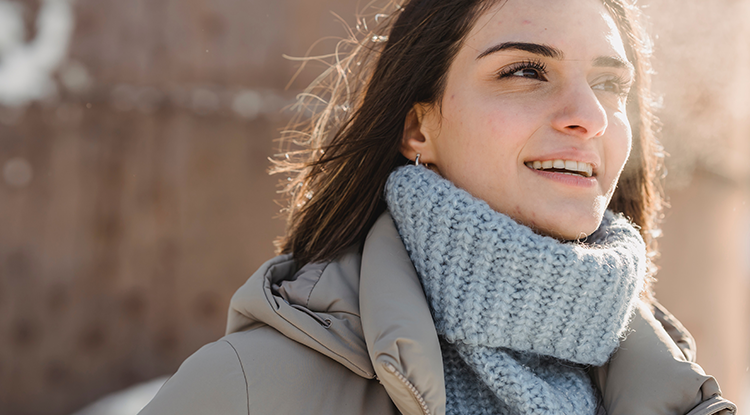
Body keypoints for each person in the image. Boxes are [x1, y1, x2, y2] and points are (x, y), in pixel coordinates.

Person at [140, 0, 738, 414]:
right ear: (419, 126)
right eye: (526, 71)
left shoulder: (681, 394)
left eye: (611, 83)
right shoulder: (247, 392)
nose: (591, 115)